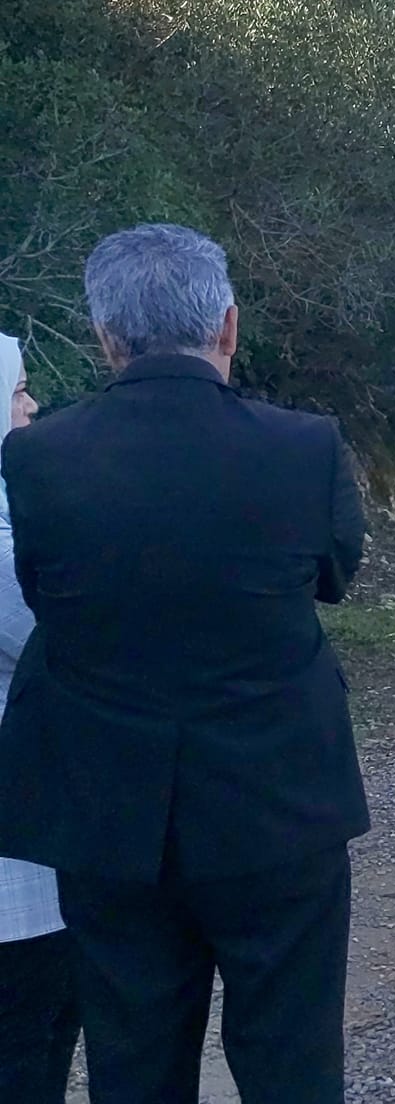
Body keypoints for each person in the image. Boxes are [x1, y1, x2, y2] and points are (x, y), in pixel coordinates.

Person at [0, 223, 369, 1100]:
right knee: (292, 1058)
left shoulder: (37, 456)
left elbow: (45, 595)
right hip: (278, 798)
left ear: (105, 336)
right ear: (228, 325)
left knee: (131, 1059)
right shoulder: (304, 445)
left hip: (109, 808)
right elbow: (334, 574)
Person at [0, 335, 76, 1104]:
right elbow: (67, 639)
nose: (32, 405)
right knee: (28, 1039)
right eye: (18, 390)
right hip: (14, 861)